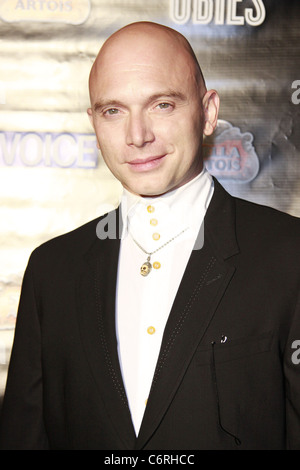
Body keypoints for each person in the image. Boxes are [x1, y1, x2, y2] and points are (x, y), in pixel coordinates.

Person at [0, 21, 300, 450]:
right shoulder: (52, 270)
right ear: (94, 123)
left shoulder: (289, 256)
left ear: (209, 112)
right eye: (113, 110)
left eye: (162, 105)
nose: (137, 136)